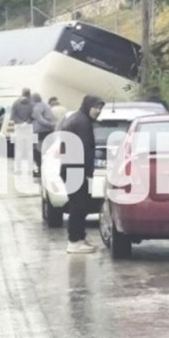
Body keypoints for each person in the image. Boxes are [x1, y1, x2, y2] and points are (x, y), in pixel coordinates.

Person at [60, 95, 105, 254]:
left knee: (79, 205)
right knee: (78, 206)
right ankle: (74, 241)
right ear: (88, 106)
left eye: (100, 108)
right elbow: (85, 150)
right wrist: (88, 171)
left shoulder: (77, 119)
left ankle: (79, 238)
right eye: (96, 107)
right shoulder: (82, 123)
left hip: (70, 168)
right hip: (75, 169)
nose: (98, 111)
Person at [32, 92, 57, 175]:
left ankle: (41, 170)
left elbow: (40, 120)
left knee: (37, 151)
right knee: (47, 151)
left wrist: (49, 125)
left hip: (41, 132)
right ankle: (47, 170)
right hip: (49, 132)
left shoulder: (37, 107)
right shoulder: (46, 105)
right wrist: (52, 126)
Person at [10, 88, 34, 174]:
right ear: (29, 94)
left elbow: (12, 116)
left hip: (19, 128)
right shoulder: (32, 104)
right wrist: (27, 122)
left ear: (22, 93)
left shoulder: (16, 103)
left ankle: (18, 169)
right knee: (29, 150)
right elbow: (33, 116)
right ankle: (30, 169)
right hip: (29, 128)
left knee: (18, 150)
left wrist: (20, 123)